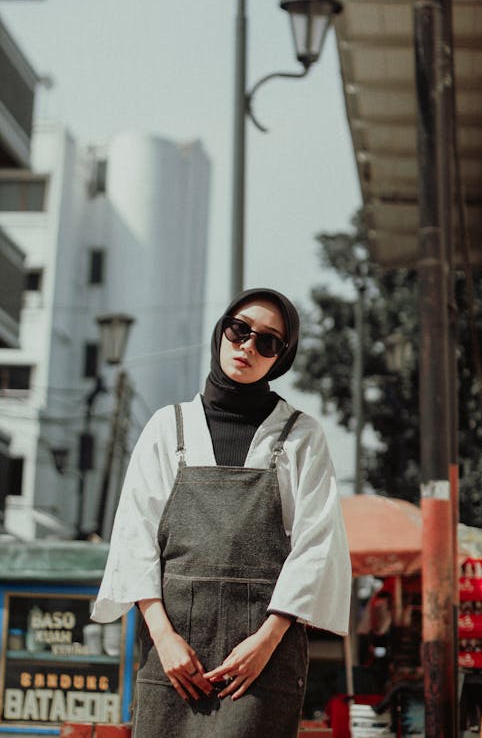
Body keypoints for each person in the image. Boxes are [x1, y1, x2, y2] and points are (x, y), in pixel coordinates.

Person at [92, 288, 352, 738]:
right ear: (222, 332)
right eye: (240, 330)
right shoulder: (165, 427)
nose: (248, 346)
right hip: (172, 653)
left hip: (262, 660)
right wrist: (164, 637)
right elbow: (134, 538)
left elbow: (317, 547)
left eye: (268, 341)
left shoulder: (301, 436)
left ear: (281, 358)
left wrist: (265, 642)